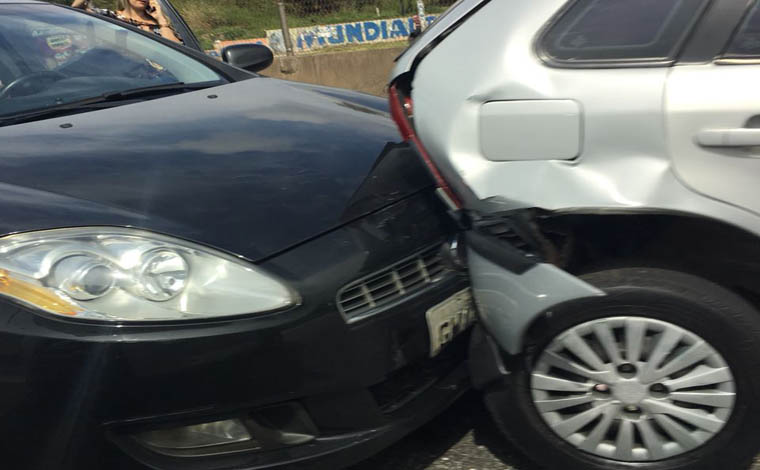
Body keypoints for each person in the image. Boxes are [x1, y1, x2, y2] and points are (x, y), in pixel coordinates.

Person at [71, 0, 182, 43]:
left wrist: (161, 20)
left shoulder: (161, 24)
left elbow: (181, 50)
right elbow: (76, 8)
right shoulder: (112, 17)